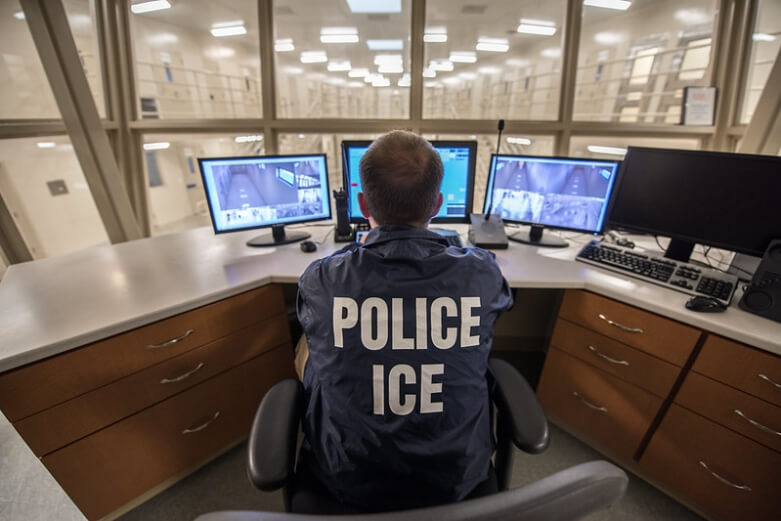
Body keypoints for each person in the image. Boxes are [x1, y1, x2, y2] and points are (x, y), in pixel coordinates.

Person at [295, 130, 513, 513]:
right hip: (456, 479)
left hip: (349, 479)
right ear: (438, 206)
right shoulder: (481, 273)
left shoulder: (322, 278)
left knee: (309, 342)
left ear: (362, 204)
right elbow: (500, 304)